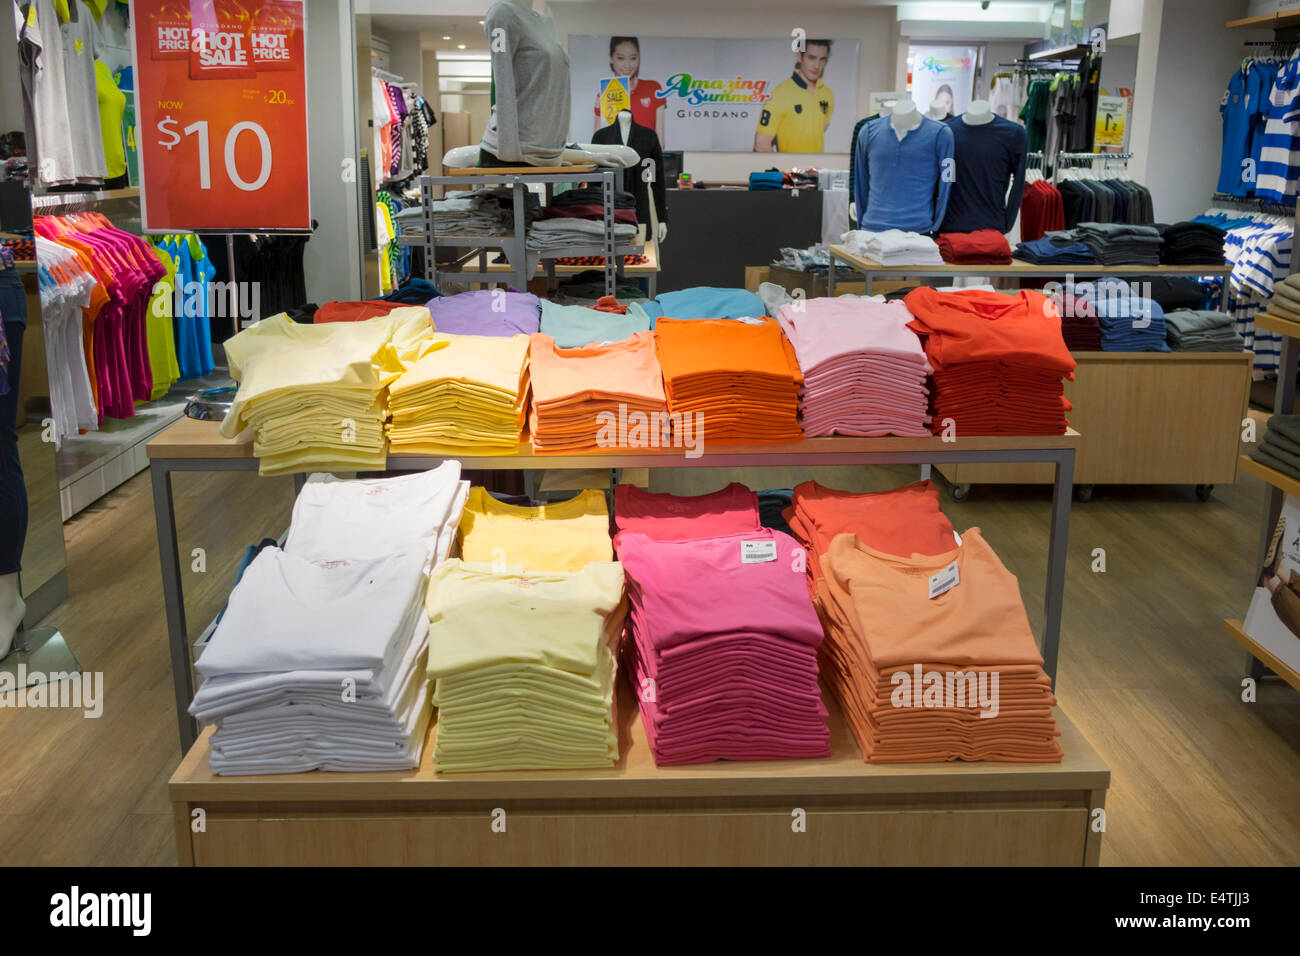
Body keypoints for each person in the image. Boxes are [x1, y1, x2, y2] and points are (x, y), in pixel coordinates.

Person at [754, 39, 835, 153]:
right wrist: (782, 169)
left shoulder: (828, 93)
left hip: (818, 169)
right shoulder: (779, 94)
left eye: (822, 59)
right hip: (790, 170)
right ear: (799, 56)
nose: (817, 65)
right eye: (811, 57)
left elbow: (822, 128)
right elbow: (761, 144)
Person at [593, 36, 666, 145]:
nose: (627, 65)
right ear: (611, 58)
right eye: (621, 58)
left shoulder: (653, 88)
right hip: (617, 159)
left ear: (639, 58)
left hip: (645, 159)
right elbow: (599, 141)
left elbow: (660, 141)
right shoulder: (606, 95)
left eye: (633, 58)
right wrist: (599, 110)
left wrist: (653, 160)